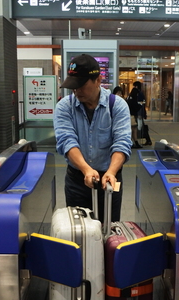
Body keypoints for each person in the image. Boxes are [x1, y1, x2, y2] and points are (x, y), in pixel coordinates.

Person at [55, 54, 132, 222]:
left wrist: (111, 172)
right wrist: (86, 169)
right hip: (77, 180)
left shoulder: (117, 106)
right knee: (79, 231)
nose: (76, 91)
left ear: (98, 80)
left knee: (109, 228)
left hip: (109, 179)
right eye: (73, 86)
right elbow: (67, 141)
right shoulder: (64, 107)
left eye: (81, 85)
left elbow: (122, 142)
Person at [128, 81, 152, 146]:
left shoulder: (137, 93)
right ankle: (148, 140)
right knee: (140, 126)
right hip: (138, 113)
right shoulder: (139, 93)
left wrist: (141, 113)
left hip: (138, 113)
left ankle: (147, 140)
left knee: (139, 127)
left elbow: (139, 104)